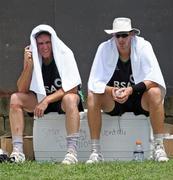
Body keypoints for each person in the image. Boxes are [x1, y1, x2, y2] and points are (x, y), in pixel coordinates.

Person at [86, 17, 169, 163]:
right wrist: (112, 91)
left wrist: (131, 90)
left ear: (131, 34)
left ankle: (159, 147)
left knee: (155, 93)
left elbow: (155, 78)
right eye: (117, 35)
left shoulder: (144, 46)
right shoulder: (104, 48)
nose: (121, 39)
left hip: (138, 98)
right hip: (114, 99)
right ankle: (95, 151)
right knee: (92, 96)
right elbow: (94, 82)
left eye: (124, 35)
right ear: (113, 36)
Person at [9, 24, 83, 164]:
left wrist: (47, 100)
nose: (44, 47)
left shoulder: (65, 54)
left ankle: (72, 152)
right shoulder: (35, 58)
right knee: (15, 99)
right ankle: (17, 152)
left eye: (47, 42)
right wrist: (28, 66)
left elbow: (73, 88)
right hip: (40, 101)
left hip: (60, 101)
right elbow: (22, 89)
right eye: (40, 43)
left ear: (53, 42)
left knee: (71, 99)